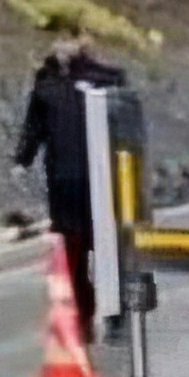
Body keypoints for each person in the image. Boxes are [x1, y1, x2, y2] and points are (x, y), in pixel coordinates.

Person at [13, 34, 130, 329]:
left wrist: (22, 160)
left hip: (65, 182)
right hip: (103, 179)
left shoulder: (46, 87)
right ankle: (113, 309)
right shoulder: (108, 81)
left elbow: (32, 132)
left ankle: (84, 315)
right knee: (106, 247)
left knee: (75, 251)